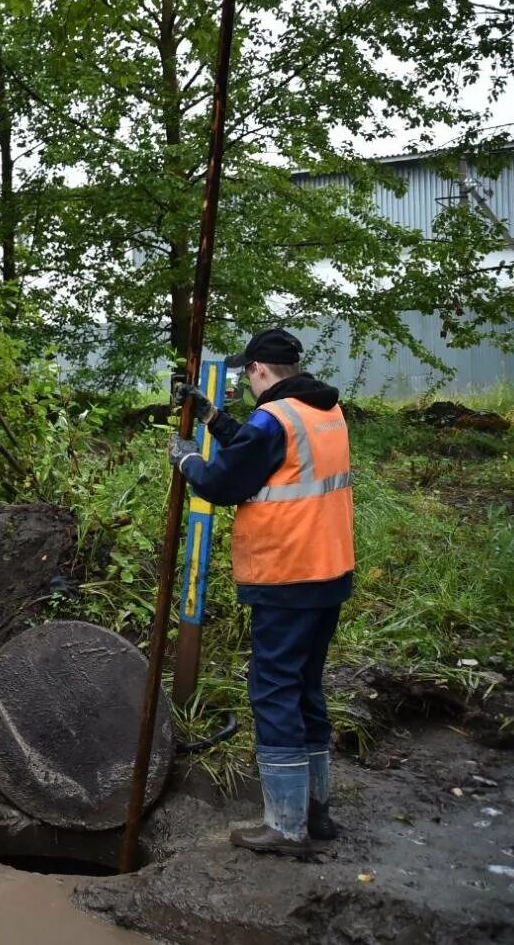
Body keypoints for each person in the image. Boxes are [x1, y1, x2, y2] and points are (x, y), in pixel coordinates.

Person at [171, 327, 354, 857]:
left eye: (246, 375)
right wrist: (212, 418)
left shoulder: (275, 419)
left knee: (274, 691)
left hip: (286, 577)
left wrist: (187, 461)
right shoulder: (323, 411)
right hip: (328, 572)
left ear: (258, 370)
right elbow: (266, 454)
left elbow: (225, 482)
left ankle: (285, 825)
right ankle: (317, 813)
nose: (246, 385)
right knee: (305, 688)